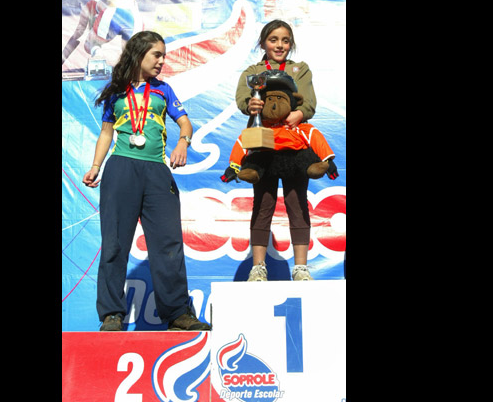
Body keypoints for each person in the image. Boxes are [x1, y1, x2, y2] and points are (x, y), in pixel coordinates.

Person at [82, 31, 211, 332]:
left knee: (168, 243)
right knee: (114, 243)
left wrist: (183, 143)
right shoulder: (116, 91)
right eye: (156, 54)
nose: (162, 61)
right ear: (139, 54)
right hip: (121, 170)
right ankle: (112, 314)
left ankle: (178, 313)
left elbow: (185, 122)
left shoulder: (163, 90)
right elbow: (106, 132)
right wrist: (95, 166)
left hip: (156, 171)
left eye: (163, 55)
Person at [234, 19, 328, 282]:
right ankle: (258, 268)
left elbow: (309, 103)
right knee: (263, 204)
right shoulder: (253, 70)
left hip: (294, 144)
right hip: (263, 143)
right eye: (273, 39)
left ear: (291, 44)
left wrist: (299, 113)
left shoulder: (301, 69)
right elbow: (242, 99)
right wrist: (251, 105)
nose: (279, 45)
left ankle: (301, 268)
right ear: (263, 42)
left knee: (297, 203)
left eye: (285, 40)